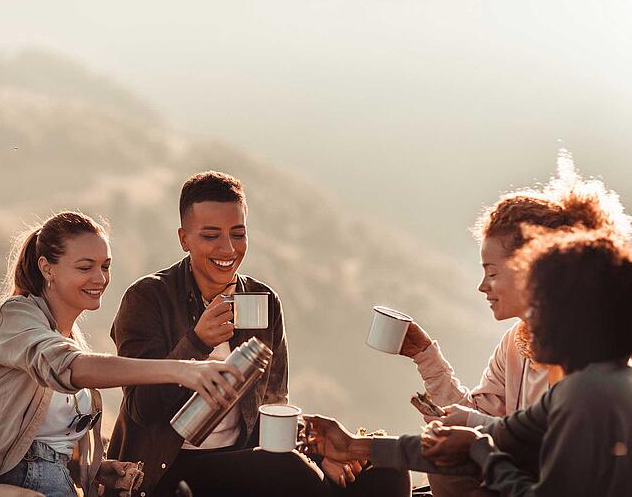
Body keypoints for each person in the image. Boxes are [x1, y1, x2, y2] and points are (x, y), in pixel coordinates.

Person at [106, 172, 410, 497]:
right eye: (211, 236)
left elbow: (274, 402)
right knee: (286, 470)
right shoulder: (149, 298)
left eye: (238, 234)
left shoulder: (262, 302)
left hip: (241, 460)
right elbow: (142, 408)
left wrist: (319, 452)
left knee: (383, 469)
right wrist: (196, 342)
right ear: (184, 239)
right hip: (167, 469)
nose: (228, 248)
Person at [0, 211, 243, 497]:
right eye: (85, 267)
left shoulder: (72, 339)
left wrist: (97, 470)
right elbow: (69, 368)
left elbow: (46, 449)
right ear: (46, 268)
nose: (100, 279)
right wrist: (181, 370)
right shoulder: (15, 317)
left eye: (105, 266)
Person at [304, 228, 632, 496]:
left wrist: (481, 451)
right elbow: (486, 437)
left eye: (539, 305)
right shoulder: (580, 386)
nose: (529, 320)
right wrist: (353, 446)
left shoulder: (591, 396)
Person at [398, 158, 631, 495]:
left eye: (492, 273)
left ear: (531, 271)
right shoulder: (514, 342)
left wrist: (473, 435)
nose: (483, 286)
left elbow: (538, 447)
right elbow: (480, 416)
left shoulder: (583, 359)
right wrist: (424, 355)